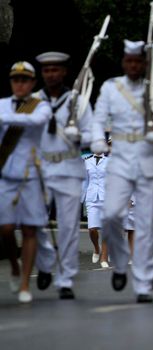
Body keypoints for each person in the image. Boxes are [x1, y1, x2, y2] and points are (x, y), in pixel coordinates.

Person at [91, 40, 153, 303]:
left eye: (138, 62)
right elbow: (98, 119)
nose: (133, 65)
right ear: (123, 63)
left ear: (144, 64)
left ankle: (143, 283)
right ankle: (119, 262)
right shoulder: (110, 87)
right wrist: (96, 140)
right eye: (129, 61)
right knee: (112, 218)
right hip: (119, 162)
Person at [31, 52, 94, 299]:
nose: (51, 74)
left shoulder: (77, 101)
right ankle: (46, 261)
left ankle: (65, 279)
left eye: (55, 70)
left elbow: (92, 133)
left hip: (68, 168)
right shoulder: (34, 101)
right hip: (41, 169)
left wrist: (78, 134)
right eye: (47, 70)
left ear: (64, 72)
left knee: (68, 227)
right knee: (34, 222)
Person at [0, 61, 52, 303]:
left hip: (31, 174)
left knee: (30, 228)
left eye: (24, 80)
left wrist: (6, 117)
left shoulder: (41, 106)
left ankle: (24, 284)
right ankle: (14, 265)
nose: (19, 84)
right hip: (6, 173)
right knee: (6, 228)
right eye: (15, 80)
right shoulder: (2, 105)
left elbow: (36, 122)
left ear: (32, 83)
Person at [83, 142, 109, 269]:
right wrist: (81, 199)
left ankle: (104, 257)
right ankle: (96, 248)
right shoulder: (87, 161)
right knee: (92, 229)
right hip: (92, 197)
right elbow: (85, 181)